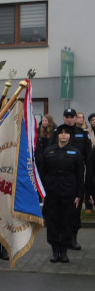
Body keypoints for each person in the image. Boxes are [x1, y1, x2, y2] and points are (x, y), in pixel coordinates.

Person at [39, 123, 84, 263]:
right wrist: (42, 193)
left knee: (66, 221)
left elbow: (79, 175)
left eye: (66, 132)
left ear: (70, 136)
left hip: (68, 192)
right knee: (52, 221)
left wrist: (79, 195)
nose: (63, 135)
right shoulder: (49, 151)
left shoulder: (75, 153)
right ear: (57, 135)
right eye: (61, 132)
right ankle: (55, 251)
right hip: (51, 192)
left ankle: (63, 252)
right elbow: (42, 173)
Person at [60, 108, 91, 250]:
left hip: (76, 176)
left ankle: (73, 238)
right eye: (67, 116)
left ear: (75, 118)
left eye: (71, 117)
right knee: (61, 210)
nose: (69, 119)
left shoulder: (82, 134)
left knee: (76, 209)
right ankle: (62, 239)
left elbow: (88, 156)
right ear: (63, 118)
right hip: (60, 176)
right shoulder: (59, 133)